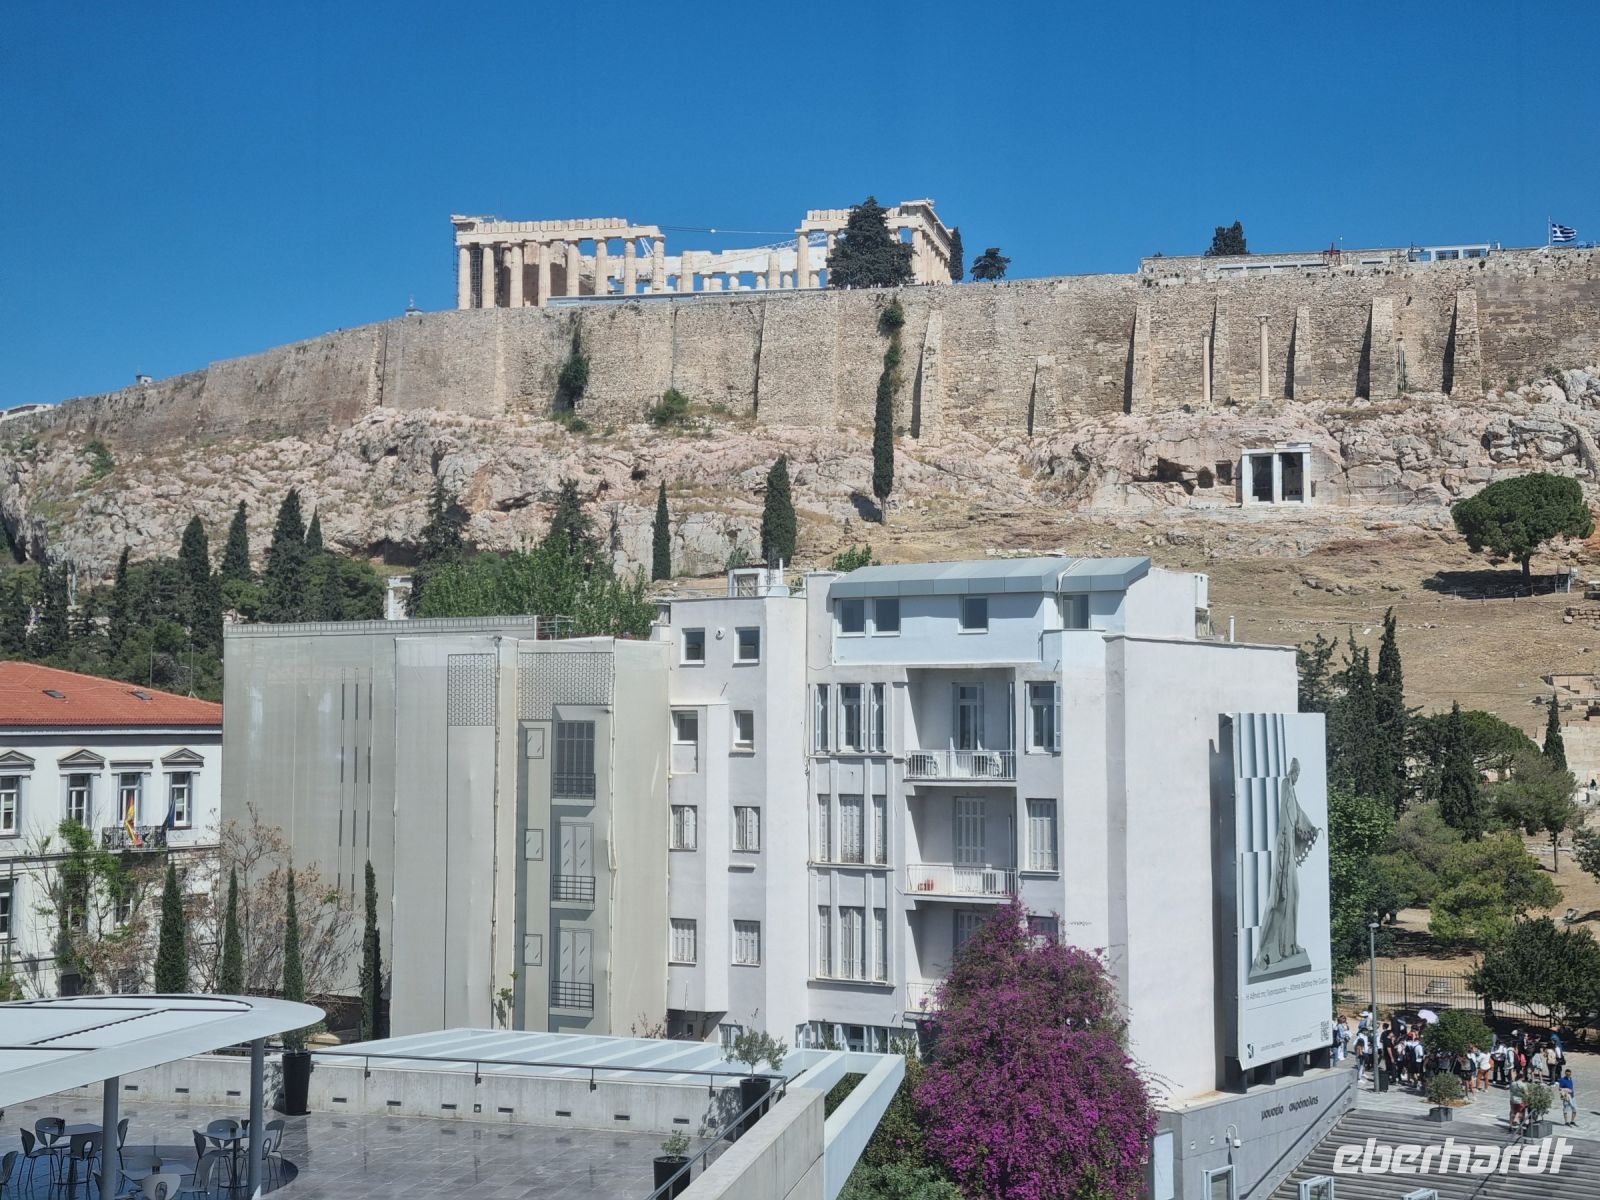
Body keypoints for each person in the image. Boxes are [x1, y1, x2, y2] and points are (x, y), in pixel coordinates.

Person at [1250, 758, 1320, 976]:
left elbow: (1299, 815)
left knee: (1294, 897)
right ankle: (1267, 951)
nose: (1297, 776)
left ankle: (1289, 945)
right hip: (1282, 852)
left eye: (1298, 772)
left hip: (1288, 851)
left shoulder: (1291, 791)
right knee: (1279, 900)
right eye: (1295, 771)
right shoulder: (1284, 787)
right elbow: (1286, 820)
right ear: (1291, 771)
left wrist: (1311, 828)